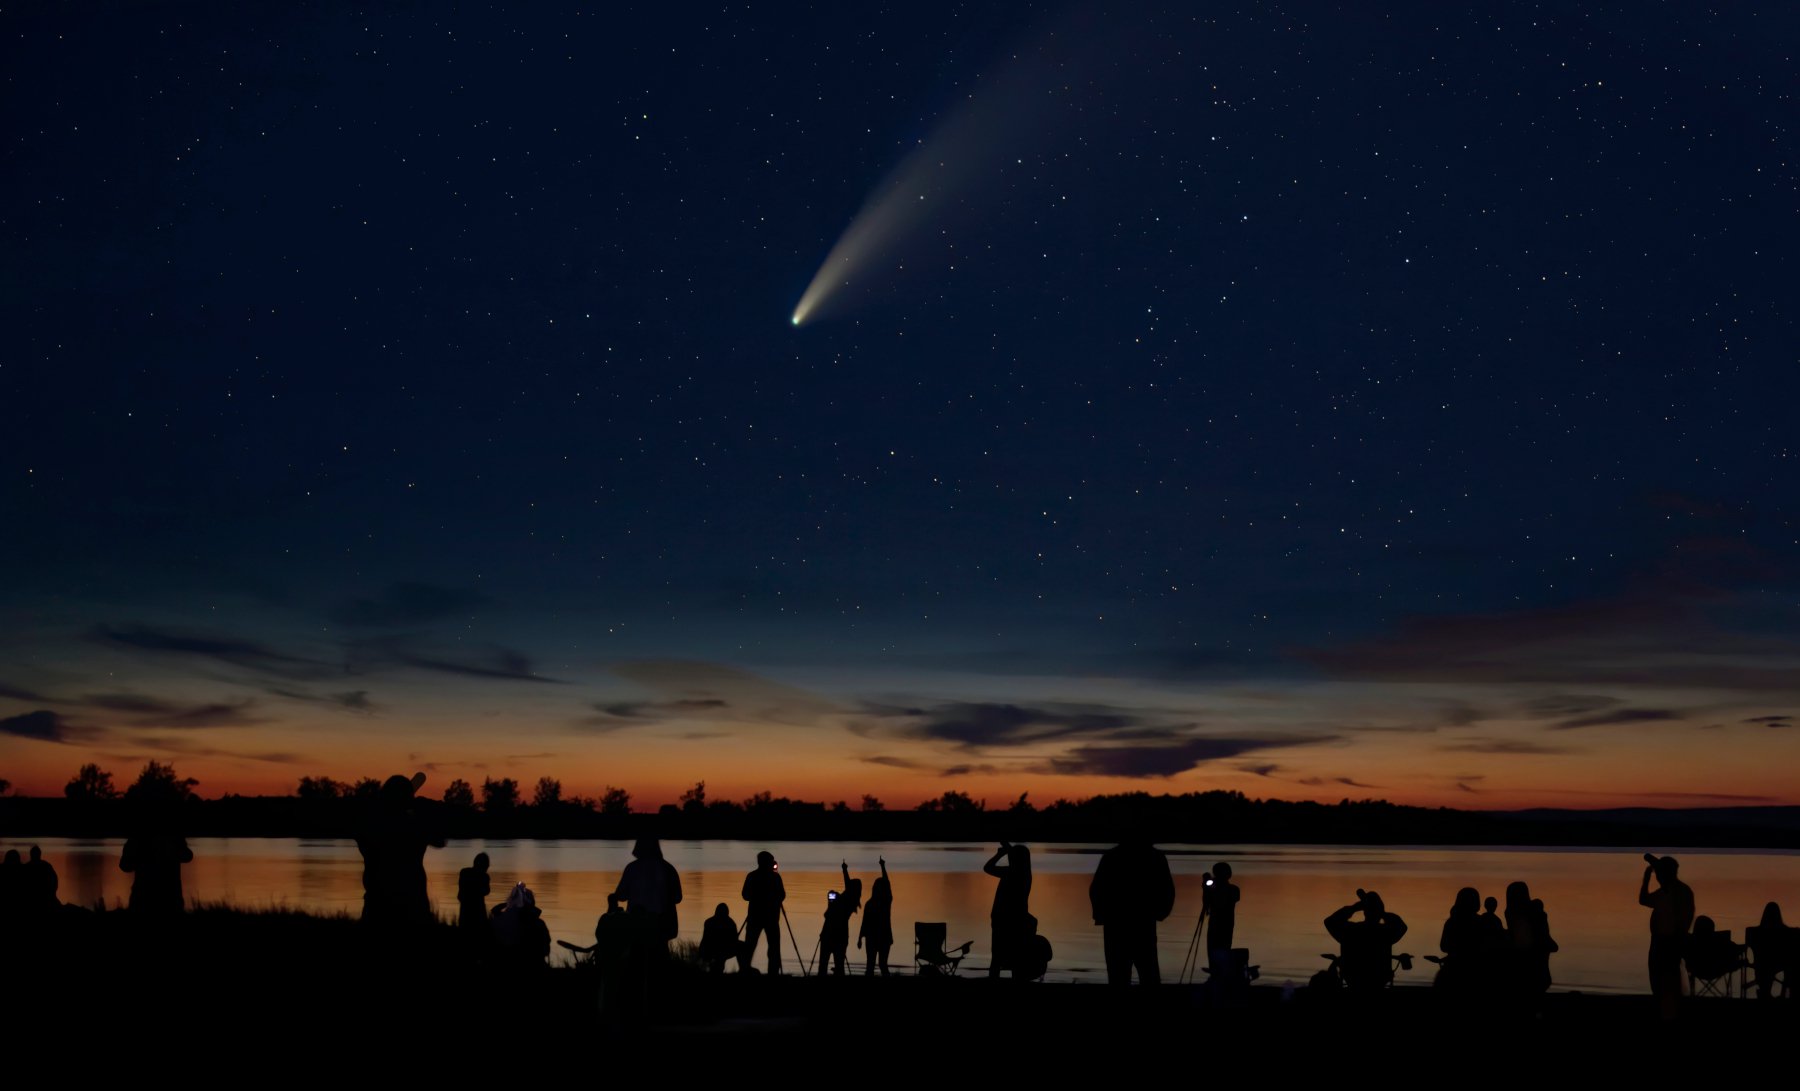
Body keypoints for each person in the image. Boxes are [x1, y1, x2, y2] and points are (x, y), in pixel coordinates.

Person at [354, 772, 447, 931]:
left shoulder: (372, 827)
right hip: (412, 906)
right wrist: (423, 813)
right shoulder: (414, 826)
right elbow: (440, 840)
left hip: (377, 905)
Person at [1088, 833, 1176, 986]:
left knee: (1121, 973)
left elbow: (1097, 889)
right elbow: (1167, 889)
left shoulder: (1112, 856)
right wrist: (1160, 913)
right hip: (1139, 922)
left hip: (1120, 923)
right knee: (1147, 973)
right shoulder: (1155, 857)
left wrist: (1102, 915)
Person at [1639, 854, 1695, 1020]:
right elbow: (1644, 900)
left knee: (1662, 979)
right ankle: (1668, 1010)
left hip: (1667, 942)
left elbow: (1643, 900)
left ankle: (1667, 1012)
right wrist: (1650, 870)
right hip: (1668, 941)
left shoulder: (1672, 892)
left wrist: (1647, 876)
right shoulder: (1677, 890)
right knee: (1665, 979)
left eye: (1659, 874)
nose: (1658, 877)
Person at [1323, 889, 1408, 992]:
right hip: (1380, 979)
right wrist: (1383, 913)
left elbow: (1330, 921)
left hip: (1352, 979)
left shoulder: (1350, 931)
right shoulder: (1385, 933)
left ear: (1364, 912)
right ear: (1379, 910)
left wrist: (1353, 908)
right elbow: (1402, 926)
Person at [612, 837, 682, 955]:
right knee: (659, 958)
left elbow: (621, 895)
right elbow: (677, 897)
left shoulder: (632, 868)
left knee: (636, 956)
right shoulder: (668, 868)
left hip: (636, 924)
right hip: (661, 925)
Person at [120, 809, 194, 917]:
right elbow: (187, 856)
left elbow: (125, 865)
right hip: (170, 900)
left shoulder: (137, 837)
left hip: (144, 900)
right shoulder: (173, 835)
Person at [983, 841, 1034, 978]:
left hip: (1003, 920)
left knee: (997, 958)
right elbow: (1015, 855)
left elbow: (987, 867)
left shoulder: (1010, 872)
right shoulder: (1025, 873)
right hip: (1018, 920)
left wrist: (999, 854)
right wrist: (1007, 848)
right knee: (1016, 958)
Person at [1503, 880, 1557, 999]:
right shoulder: (1526, 913)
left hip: (1529, 971)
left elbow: (1522, 941)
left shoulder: (1517, 913)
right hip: (1537, 972)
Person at [739, 850, 786, 974]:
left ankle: (745, 969)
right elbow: (782, 895)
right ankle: (772, 971)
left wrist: (757, 896)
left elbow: (745, 895)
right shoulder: (775, 877)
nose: (773, 863)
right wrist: (771, 897)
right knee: (771, 946)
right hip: (768, 917)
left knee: (752, 945)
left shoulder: (752, 876)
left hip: (757, 916)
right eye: (771, 861)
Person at [1436, 887, 1489, 994]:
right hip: (1476, 969)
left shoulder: (1451, 922)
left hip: (1452, 969)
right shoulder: (1481, 922)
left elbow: (1443, 946)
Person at [490, 881, 551, 970]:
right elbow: (546, 951)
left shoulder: (496, 920)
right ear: (532, 904)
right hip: (532, 965)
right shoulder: (538, 924)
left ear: (510, 902)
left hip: (502, 965)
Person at [818, 860, 861, 976]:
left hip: (831, 935)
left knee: (825, 964)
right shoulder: (850, 900)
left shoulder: (848, 901)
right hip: (839, 936)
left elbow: (847, 886)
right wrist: (844, 870)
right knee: (838, 964)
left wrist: (844, 870)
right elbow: (848, 885)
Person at [1746, 902, 1794, 1002]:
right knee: (1790, 963)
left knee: (1766, 965)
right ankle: (1784, 993)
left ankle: (1764, 992)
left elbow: (1748, 947)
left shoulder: (1755, 932)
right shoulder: (1784, 932)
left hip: (1761, 964)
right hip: (1778, 963)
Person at [859, 857, 895, 976]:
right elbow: (864, 921)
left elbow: (887, 883)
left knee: (874, 964)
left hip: (876, 937)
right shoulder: (885, 902)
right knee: (879, 964)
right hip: (879, 937)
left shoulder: (876, 903)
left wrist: (883, 867)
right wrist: (883, 866)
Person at [1204, 861, 1241, 964]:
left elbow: (1233, 897)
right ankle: (1216, 970)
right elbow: (1207, 901)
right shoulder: (1217, 888)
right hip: (1217, 924)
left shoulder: (1233, 889)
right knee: (1215, 950)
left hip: (1224, 925)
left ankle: (1219, 970)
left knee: (1221, 949)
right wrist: (1206, 887)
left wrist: (1210, 885)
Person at [699, 903, 739, 974]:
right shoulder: (731, 923)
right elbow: (735, 940)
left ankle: (716, 968)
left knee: (720, 957)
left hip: (712, 949)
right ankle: (744, 968)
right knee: (740, 946)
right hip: (715, 949)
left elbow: (705, 939)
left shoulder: (708, 922)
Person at [457, 851, 491, 931]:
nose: (488, 867)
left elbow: (461, 892)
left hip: (465, 909)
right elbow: (487, 891)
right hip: (478, 911)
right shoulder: (484, 876)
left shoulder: (464, 872)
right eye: (487, 865)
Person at [23, 845, 59, 916]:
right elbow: (55, 881)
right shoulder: (47, 866)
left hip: (44, 898)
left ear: (31, 854)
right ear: (40, 854)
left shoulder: (26, 867)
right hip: (44, 898)